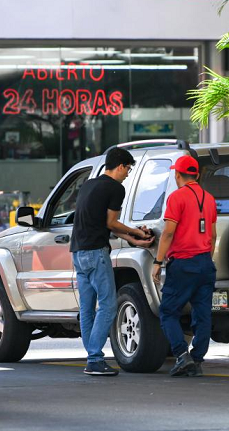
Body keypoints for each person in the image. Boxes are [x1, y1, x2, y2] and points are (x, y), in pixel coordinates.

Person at [70, 147, 155, 376]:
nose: (127, 174)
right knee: (108, 306)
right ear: (119, 166)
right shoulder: (115, 188)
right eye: (127, 169)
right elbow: (113, 222)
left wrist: (134, 238)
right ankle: (95, 359)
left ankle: (92, 357)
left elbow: (104, 225)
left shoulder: (89, 184)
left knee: (87, 309)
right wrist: (134, 232)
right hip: (96, 253)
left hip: (78, 253)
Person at [152, 155, 217, 377]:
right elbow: (213, 235)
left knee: (168, 311)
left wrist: (157, 262)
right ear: (197, 175)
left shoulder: (176, 198)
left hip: (183, 264)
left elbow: (168, 232)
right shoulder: (209, 199)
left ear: (177, 175)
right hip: (205, 263)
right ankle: (197, 360)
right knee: (203, 314)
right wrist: (205, 258)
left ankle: (182, 355)